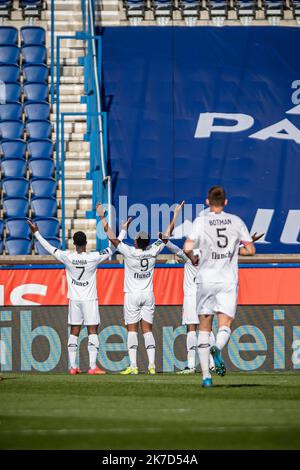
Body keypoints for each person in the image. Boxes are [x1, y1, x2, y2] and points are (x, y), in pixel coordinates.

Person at [28, 218, 130, 375]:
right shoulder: (93, 257)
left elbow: (49, 248)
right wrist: (123, 230)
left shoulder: (67, 256)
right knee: (93, 331)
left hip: (74, 299)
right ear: (86, 244)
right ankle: (92, 366)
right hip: (89, 299)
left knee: (74, 331)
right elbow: (114, 247)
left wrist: (36, 233)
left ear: (74, 243)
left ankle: (73, 367)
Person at [96, 201, 184, 375]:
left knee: (132, 330)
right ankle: (151, 365)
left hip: (132, 295)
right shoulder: (153, 251)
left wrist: (101, 217)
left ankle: (134, 366)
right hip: (148, 294)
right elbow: (167, 234)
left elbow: (111, 238)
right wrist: (175, 214)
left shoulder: (129, 251)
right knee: (148, 330)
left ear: (136, 242)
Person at [183, 186, 256, 388]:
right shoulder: (236, 221)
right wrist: (234, 251)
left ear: (208, 202)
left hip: (205, 279)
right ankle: (217, 347)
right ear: (225, 202)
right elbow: (251, 249)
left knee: (204, 328)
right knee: (225, 324)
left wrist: (194, 258)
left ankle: (206, 376)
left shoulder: (201, 221)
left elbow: (187, 247)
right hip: (227, 280)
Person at [164, 238, 216, 374]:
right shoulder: (208, 257)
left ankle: (191, 365)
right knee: (207, 330)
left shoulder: (189, 257)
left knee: (191, 329)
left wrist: (165, 241)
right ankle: (213, 364)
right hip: (205, 296)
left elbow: (175, 249)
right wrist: (249, 241)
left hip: (191, 298)